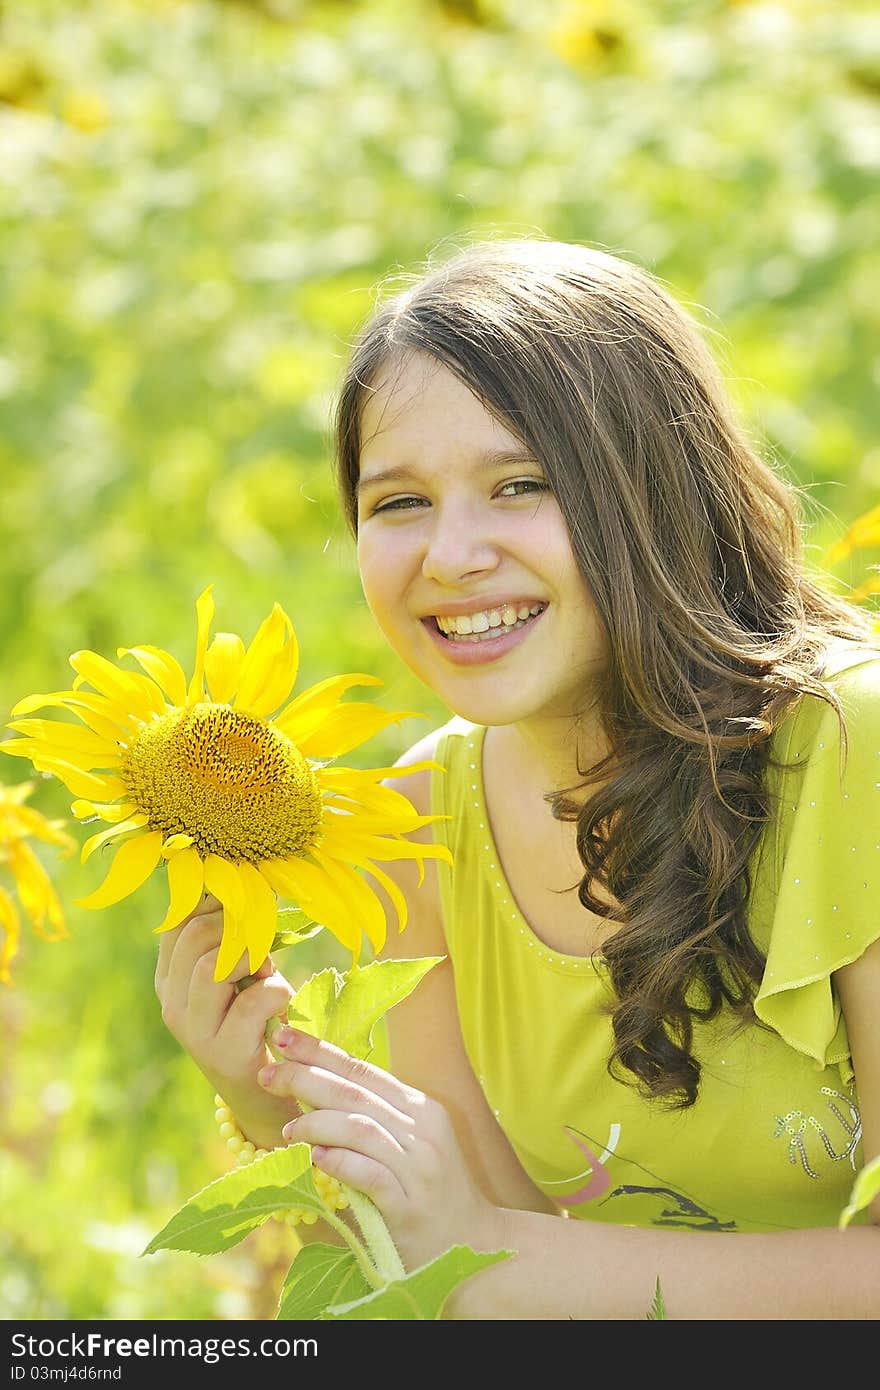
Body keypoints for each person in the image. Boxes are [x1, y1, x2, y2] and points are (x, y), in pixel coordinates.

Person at [155, 237, 880, 1319]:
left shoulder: (848, 747)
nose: (450, 554)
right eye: (397, 502)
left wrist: (487, 1250)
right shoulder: (412, 827)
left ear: (655, 489)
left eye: (521, 484)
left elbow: (499, 1262)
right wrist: (261, 1094)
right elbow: (474, 1287)